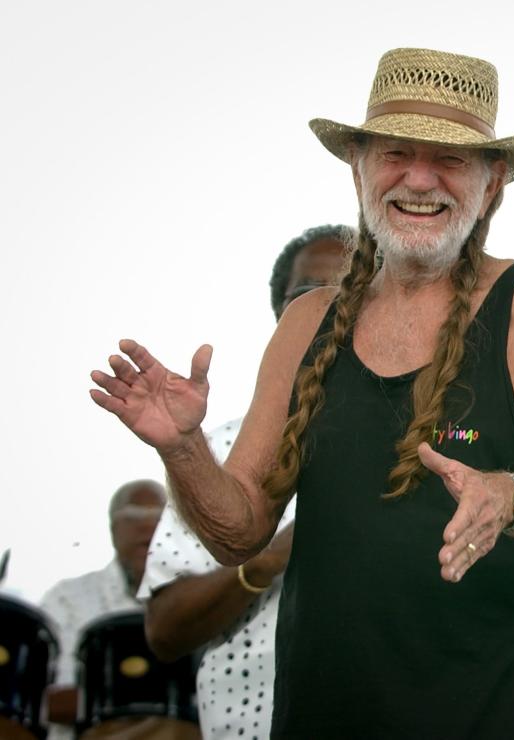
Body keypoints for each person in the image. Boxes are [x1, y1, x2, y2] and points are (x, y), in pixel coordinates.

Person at [89, 47, 514, 738]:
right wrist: (184, 448)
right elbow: (238, 532)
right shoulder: (307, 321)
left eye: (451, 159)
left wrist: (509, 496)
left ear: (493, 183)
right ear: (359, 166)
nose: (419, 179)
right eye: (397, 152)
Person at [137, 224, 351, 740]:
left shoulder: (439, 433)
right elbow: (164, 632)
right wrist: (268, 557)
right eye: (308, 293)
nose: (329, 307)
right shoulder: (216, 451)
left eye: (353, 289)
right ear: (283, 313)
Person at [39, 480, 166, 740]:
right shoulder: (67, 600)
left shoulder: (200, 606)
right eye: (133, 516)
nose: (147, 526)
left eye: (159, 516)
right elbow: (39, 697)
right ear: (113, 529)